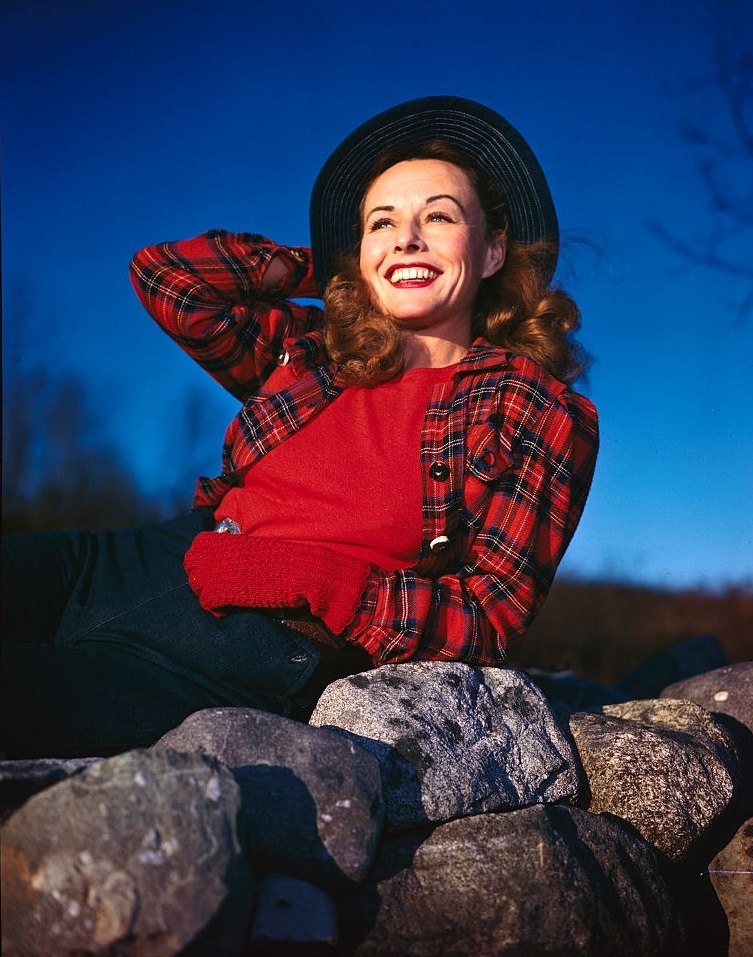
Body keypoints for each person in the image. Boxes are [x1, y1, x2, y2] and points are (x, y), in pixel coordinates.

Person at [1, 97, 598, 759]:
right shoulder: (311, 351)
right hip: (123, 567)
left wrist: (315, 577)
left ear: (490, 251)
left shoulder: (531, 406)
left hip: (245, 653)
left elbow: (486, 620)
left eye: (438, 216)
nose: (406, 238)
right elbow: (167, 277)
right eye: (382, 222)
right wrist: (341, 271)